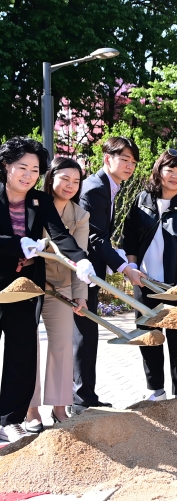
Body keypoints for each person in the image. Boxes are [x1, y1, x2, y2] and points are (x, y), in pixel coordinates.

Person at [0, 137, 94, 442]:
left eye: (34, 170)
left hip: (24, 287)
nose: (27, 175)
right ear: (6, 166)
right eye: (21, 168)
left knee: (22, 351)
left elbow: (61, 236)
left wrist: (80, 261)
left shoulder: (39, 201)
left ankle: (11, 418)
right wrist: (16, 244)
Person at [122, 149, 177, 401]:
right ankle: (155, 390)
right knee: (149, 338)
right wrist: (132, 267)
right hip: (145, 283)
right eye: (171, 170)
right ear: (159, 171)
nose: (176, 176)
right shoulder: (141, 200)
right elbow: (130, 238)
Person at [73, 136, 146, 414]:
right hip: (82, 271)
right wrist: (124, 267)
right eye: (124, 159)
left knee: (87, 332)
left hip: (90, 269)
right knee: (84, 333)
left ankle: (85, 395)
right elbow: (94, 238)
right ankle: (81, 398)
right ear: (108, 159)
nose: (130, 166)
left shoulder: (109, 187)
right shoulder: (95, 188)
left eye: (133, 161)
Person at [23, 158, 90, 432]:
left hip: (61, 287)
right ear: (51, 177)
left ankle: (60, 407)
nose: (70, 186)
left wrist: (80, 294)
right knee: (28, 346)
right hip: (30, 284)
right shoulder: (35, 204)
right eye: (65, 179)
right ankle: (31, 410)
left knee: (62, 345)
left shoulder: (81, 215)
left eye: (76, 181)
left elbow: (80, 258)